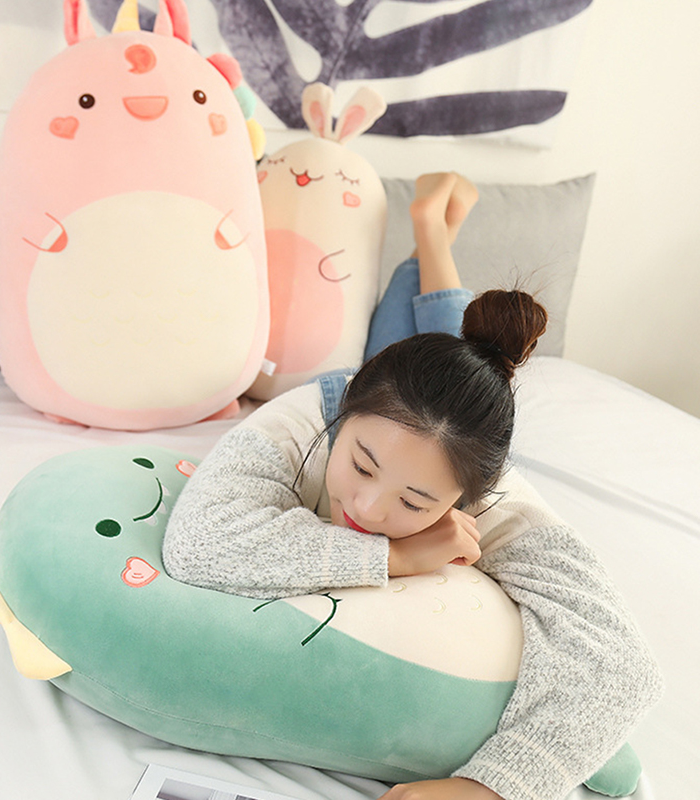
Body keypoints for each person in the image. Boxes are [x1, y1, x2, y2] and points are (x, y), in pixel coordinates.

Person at [163, 173, 662, 800]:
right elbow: (198, 544)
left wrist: (491, 788)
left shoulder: (494, 496)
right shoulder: (303, 419)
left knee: (453, 360)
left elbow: (623, 667)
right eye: (360, 465)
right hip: (387, 392)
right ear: (347, 409)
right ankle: (432, 231)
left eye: (414, 502)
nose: (368, 508)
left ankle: (431, 229)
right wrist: (393, 553)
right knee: (428, 353)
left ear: (465, 500)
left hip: (430, 419)